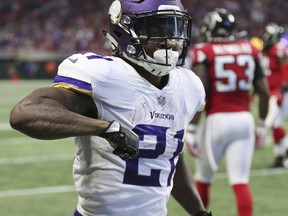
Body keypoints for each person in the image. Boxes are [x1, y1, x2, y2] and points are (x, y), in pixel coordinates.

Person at [9, 0, 212, 216]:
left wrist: (198, 212)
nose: (169, 41)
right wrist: (104, 128)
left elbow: (170, 153)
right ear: (125, 31)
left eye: (174, 29)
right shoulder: (104, 75)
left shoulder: (188, 85)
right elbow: (24, 113)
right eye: (157, 30)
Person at [185, 8, 269, 216]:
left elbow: (200, 93)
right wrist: (261, 126)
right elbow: (264, 93)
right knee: (240, 181)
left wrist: (192, 129)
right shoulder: (250, 48)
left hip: (217, 120)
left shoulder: (204, 51)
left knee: (203, 178)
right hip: (245, 119)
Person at [260, 23, 288, 168]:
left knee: (273, 123)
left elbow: (285, 68)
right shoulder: (266, 51)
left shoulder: (278, 49)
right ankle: (280, 155)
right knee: (275, 124)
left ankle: (282, 153)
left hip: (280, 92)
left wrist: (282, 90)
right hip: (271, 92)